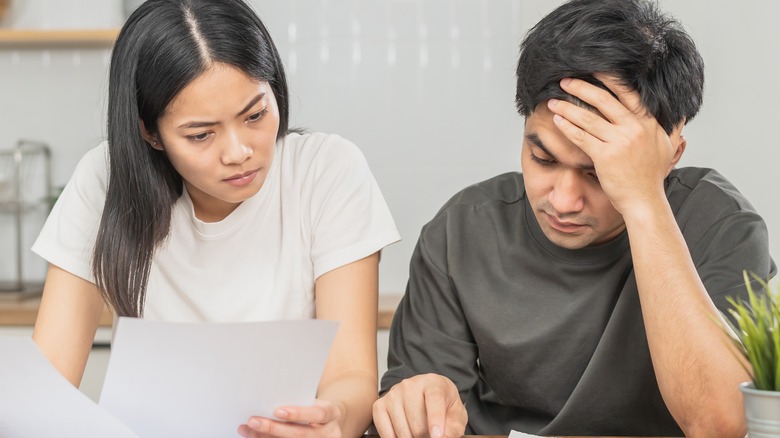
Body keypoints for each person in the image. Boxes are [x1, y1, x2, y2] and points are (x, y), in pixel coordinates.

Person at [373, 0, 775, 437]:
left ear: (670, 154)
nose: (563, 201)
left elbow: (724, 425)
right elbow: (420, 411)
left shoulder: (718, 224)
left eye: (599, 173)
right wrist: (417, 404)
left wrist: (644, 202)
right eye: (542, 158)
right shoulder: (462, 230)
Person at [30, 1, 400, 437]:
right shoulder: (106, 179)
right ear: (149, 132)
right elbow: (46, 386)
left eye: (255, 115)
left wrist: (334, 419)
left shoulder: (326, 170)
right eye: (201, 134)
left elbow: (351, 376)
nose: (238, 152)